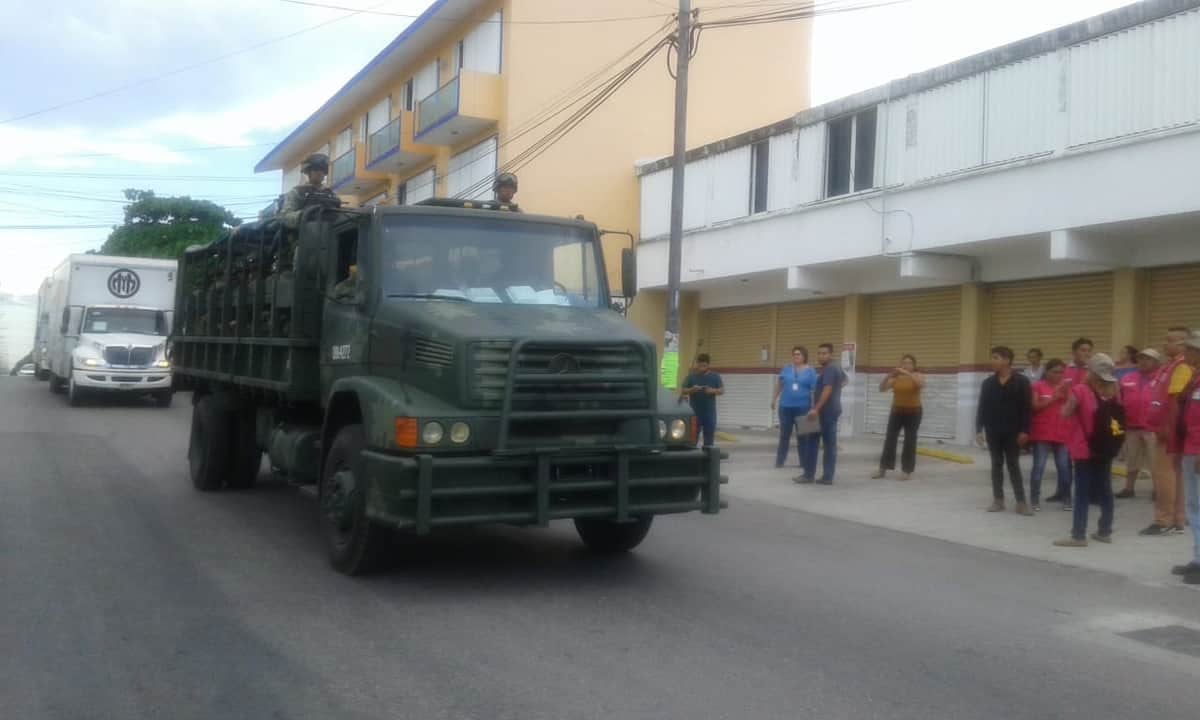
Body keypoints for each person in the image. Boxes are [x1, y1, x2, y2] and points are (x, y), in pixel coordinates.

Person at [1054, 354, 1121, 547]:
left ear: (1090, 371)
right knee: (1105, 489)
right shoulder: (1114, 390)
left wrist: (1062, 393)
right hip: (1106, 447)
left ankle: (1078, 535)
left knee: (1082, 492)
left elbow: (1065, 413)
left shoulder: (1080, 390)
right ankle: (1104, 531)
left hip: (1084, 448)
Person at [976, 346, 1033, 515]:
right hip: (993, 430)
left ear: (1007, 360)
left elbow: (1026, 408)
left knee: (1013, 464)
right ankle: (998, 500)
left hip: (1014, 431)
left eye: (996, 357)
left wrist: (1025, 430)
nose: (992, 361)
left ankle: (1021, 502)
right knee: (996, 464)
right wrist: (979, 429)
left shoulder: (1022, 381)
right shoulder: (988, 383)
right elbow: (982, 407)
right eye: (992, 357)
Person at [1148, 326, 1194, 536]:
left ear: (1182, 345)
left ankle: (1163, 519)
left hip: (1167, 431)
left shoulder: (1182, 367)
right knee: (1176, 474)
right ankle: (1178, 518)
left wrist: (1168, 427)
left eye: (1170, 341)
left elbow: (1176, 399)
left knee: (1163, 474)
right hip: (1165, 428)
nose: (1165, 344)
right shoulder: (1170, 366)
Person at [1118, 348, 1162, 501]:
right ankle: (1129, 489)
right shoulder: (1127, 378)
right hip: (1132, 427)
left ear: (1156, 362)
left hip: (1153, 428)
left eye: (1148, 359)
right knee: (1132, 460)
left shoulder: (1162, 379)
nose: (1143, 361)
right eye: (1141, 358)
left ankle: (1158, 490)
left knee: (1155, 461)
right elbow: (1119, 399)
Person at [1173, 334, 1200, 584]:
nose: (1187, 354)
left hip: (1198, 450)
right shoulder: (1194, 378)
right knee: (1194, 506)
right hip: (1189, 448)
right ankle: (1197, 558)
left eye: (1190, 350)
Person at [872, 354, 925, 481]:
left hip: (913, 412)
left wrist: (908, 374)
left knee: (910, 441)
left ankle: (906, 470)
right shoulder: (896, 378)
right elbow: (881, 389)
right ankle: (883, 469)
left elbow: (921, 384)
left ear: (914, 365)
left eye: (909, 363)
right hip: (897, 412)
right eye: (904, 363)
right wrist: (889, 376)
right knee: (890, 439)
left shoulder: (917, 375)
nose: (906, 365)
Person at [801, 343, 847, 485]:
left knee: (812, 442)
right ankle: (826, 476)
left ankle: (809, 475)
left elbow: (827, 390)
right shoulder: (836, 366)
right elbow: (846, 380)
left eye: (824, 353)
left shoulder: (830, 369)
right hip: (831, 410)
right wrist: (836, 390)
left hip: (824, 412)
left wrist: (816, 409)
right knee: (829, 445)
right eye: (819, 353)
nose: (821, 356)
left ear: (830, 354)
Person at [1030, 359, 1072, 511]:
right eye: (1054, 372)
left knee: (1063, 467)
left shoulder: (1067, 388)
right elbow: (1034, 407)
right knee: (1039, 467)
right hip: (1042, 433)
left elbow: (1072, 409)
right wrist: (1054, 398)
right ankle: (1034, 499)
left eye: (1061, 372)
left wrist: (1067, 395)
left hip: (1062, 433)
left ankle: (1067, 498)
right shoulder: (1037, 386)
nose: (1058, 375)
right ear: (1046, 372)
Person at [771, 346, 817, 469]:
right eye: (794, 354)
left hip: (804, 408)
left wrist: (813, 407)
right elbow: (779, 385)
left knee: (804, 436)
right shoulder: (786, 369)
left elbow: (813, 390)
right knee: (784, 435)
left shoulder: (811, 371)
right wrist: (774, 399)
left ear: (804, 356)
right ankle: (780, 461)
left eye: (799, 354)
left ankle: (804, 462)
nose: (796, 356)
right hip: (785, 407)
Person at [280, 153, 339, 229]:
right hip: (304, 235)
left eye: (323, 169)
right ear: (308, 172)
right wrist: (306, 214)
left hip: (328, 234)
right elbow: (285, 216)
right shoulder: (298, 192)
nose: (320, 172)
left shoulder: (331, 194)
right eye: (316, 169)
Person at [681, 354, 724, 449]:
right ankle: (692, 456)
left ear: (708, 365)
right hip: (694, 413)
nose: (701, 368)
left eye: (704, 366)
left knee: (709, 440)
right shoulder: (691, 377)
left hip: (710, 413)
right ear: (697, 364)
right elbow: (683, 390)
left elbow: (721, 390)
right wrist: (692, 389)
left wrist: (711, 391)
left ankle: (707, 459)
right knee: (692, 439)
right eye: (699, 365)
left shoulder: (715, 376)